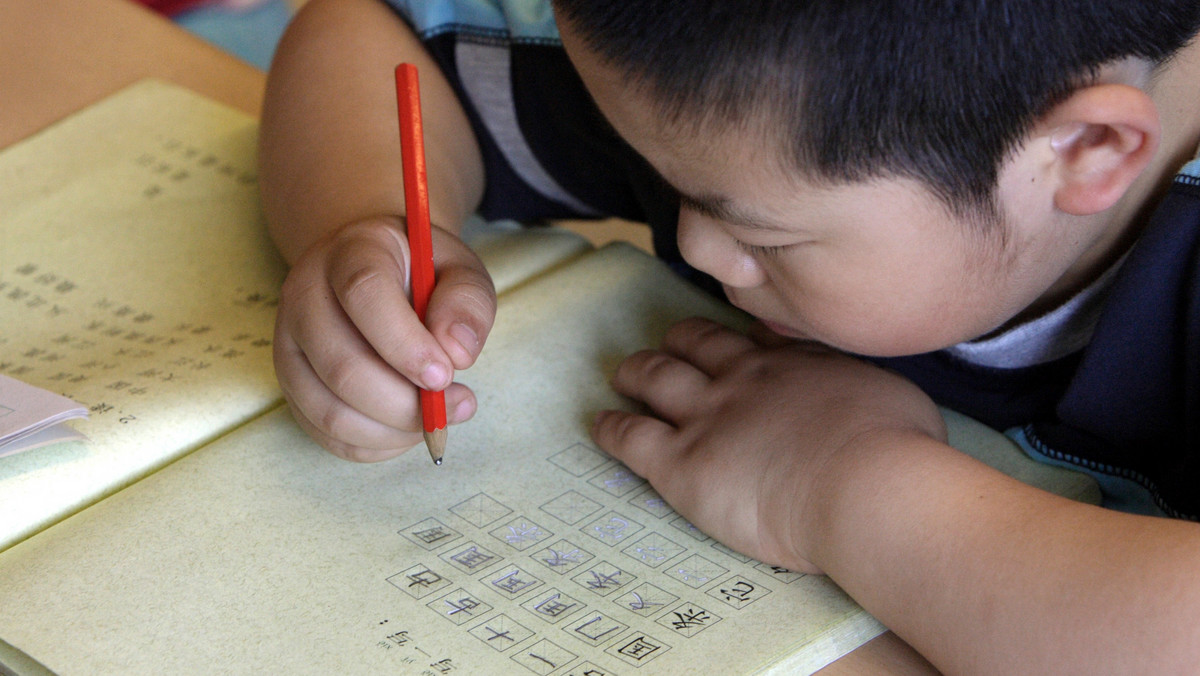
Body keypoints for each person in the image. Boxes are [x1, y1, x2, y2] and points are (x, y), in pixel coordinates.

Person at [259, 0, 1200, 671]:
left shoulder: (855, 87)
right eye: (650, 170)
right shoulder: (736, 63)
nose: (697, 243)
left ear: (1085, 152)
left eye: (762, 235)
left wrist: (841, 481)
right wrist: (365, 225)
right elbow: (368, 33)